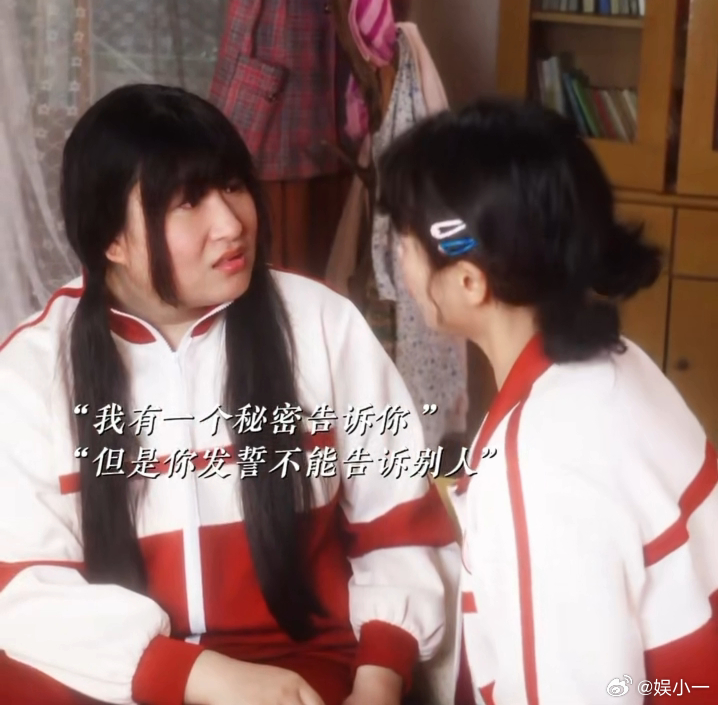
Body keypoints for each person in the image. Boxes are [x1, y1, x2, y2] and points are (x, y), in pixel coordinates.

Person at [0, 84, 459, 705]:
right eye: (189, 202)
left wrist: (378, 680)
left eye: (234, 186)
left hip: (303, 671)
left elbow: (398, 524)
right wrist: (199, 677)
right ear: (111, 240)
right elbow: (22, 590)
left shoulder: (322, 324)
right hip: (112, 680)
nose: (232, 224)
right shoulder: (30, 370)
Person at [376, 99, 718, 705]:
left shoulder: (538, 462)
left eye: (405, 238)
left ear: (469, 281)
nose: (399, 257)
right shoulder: (618, 363)